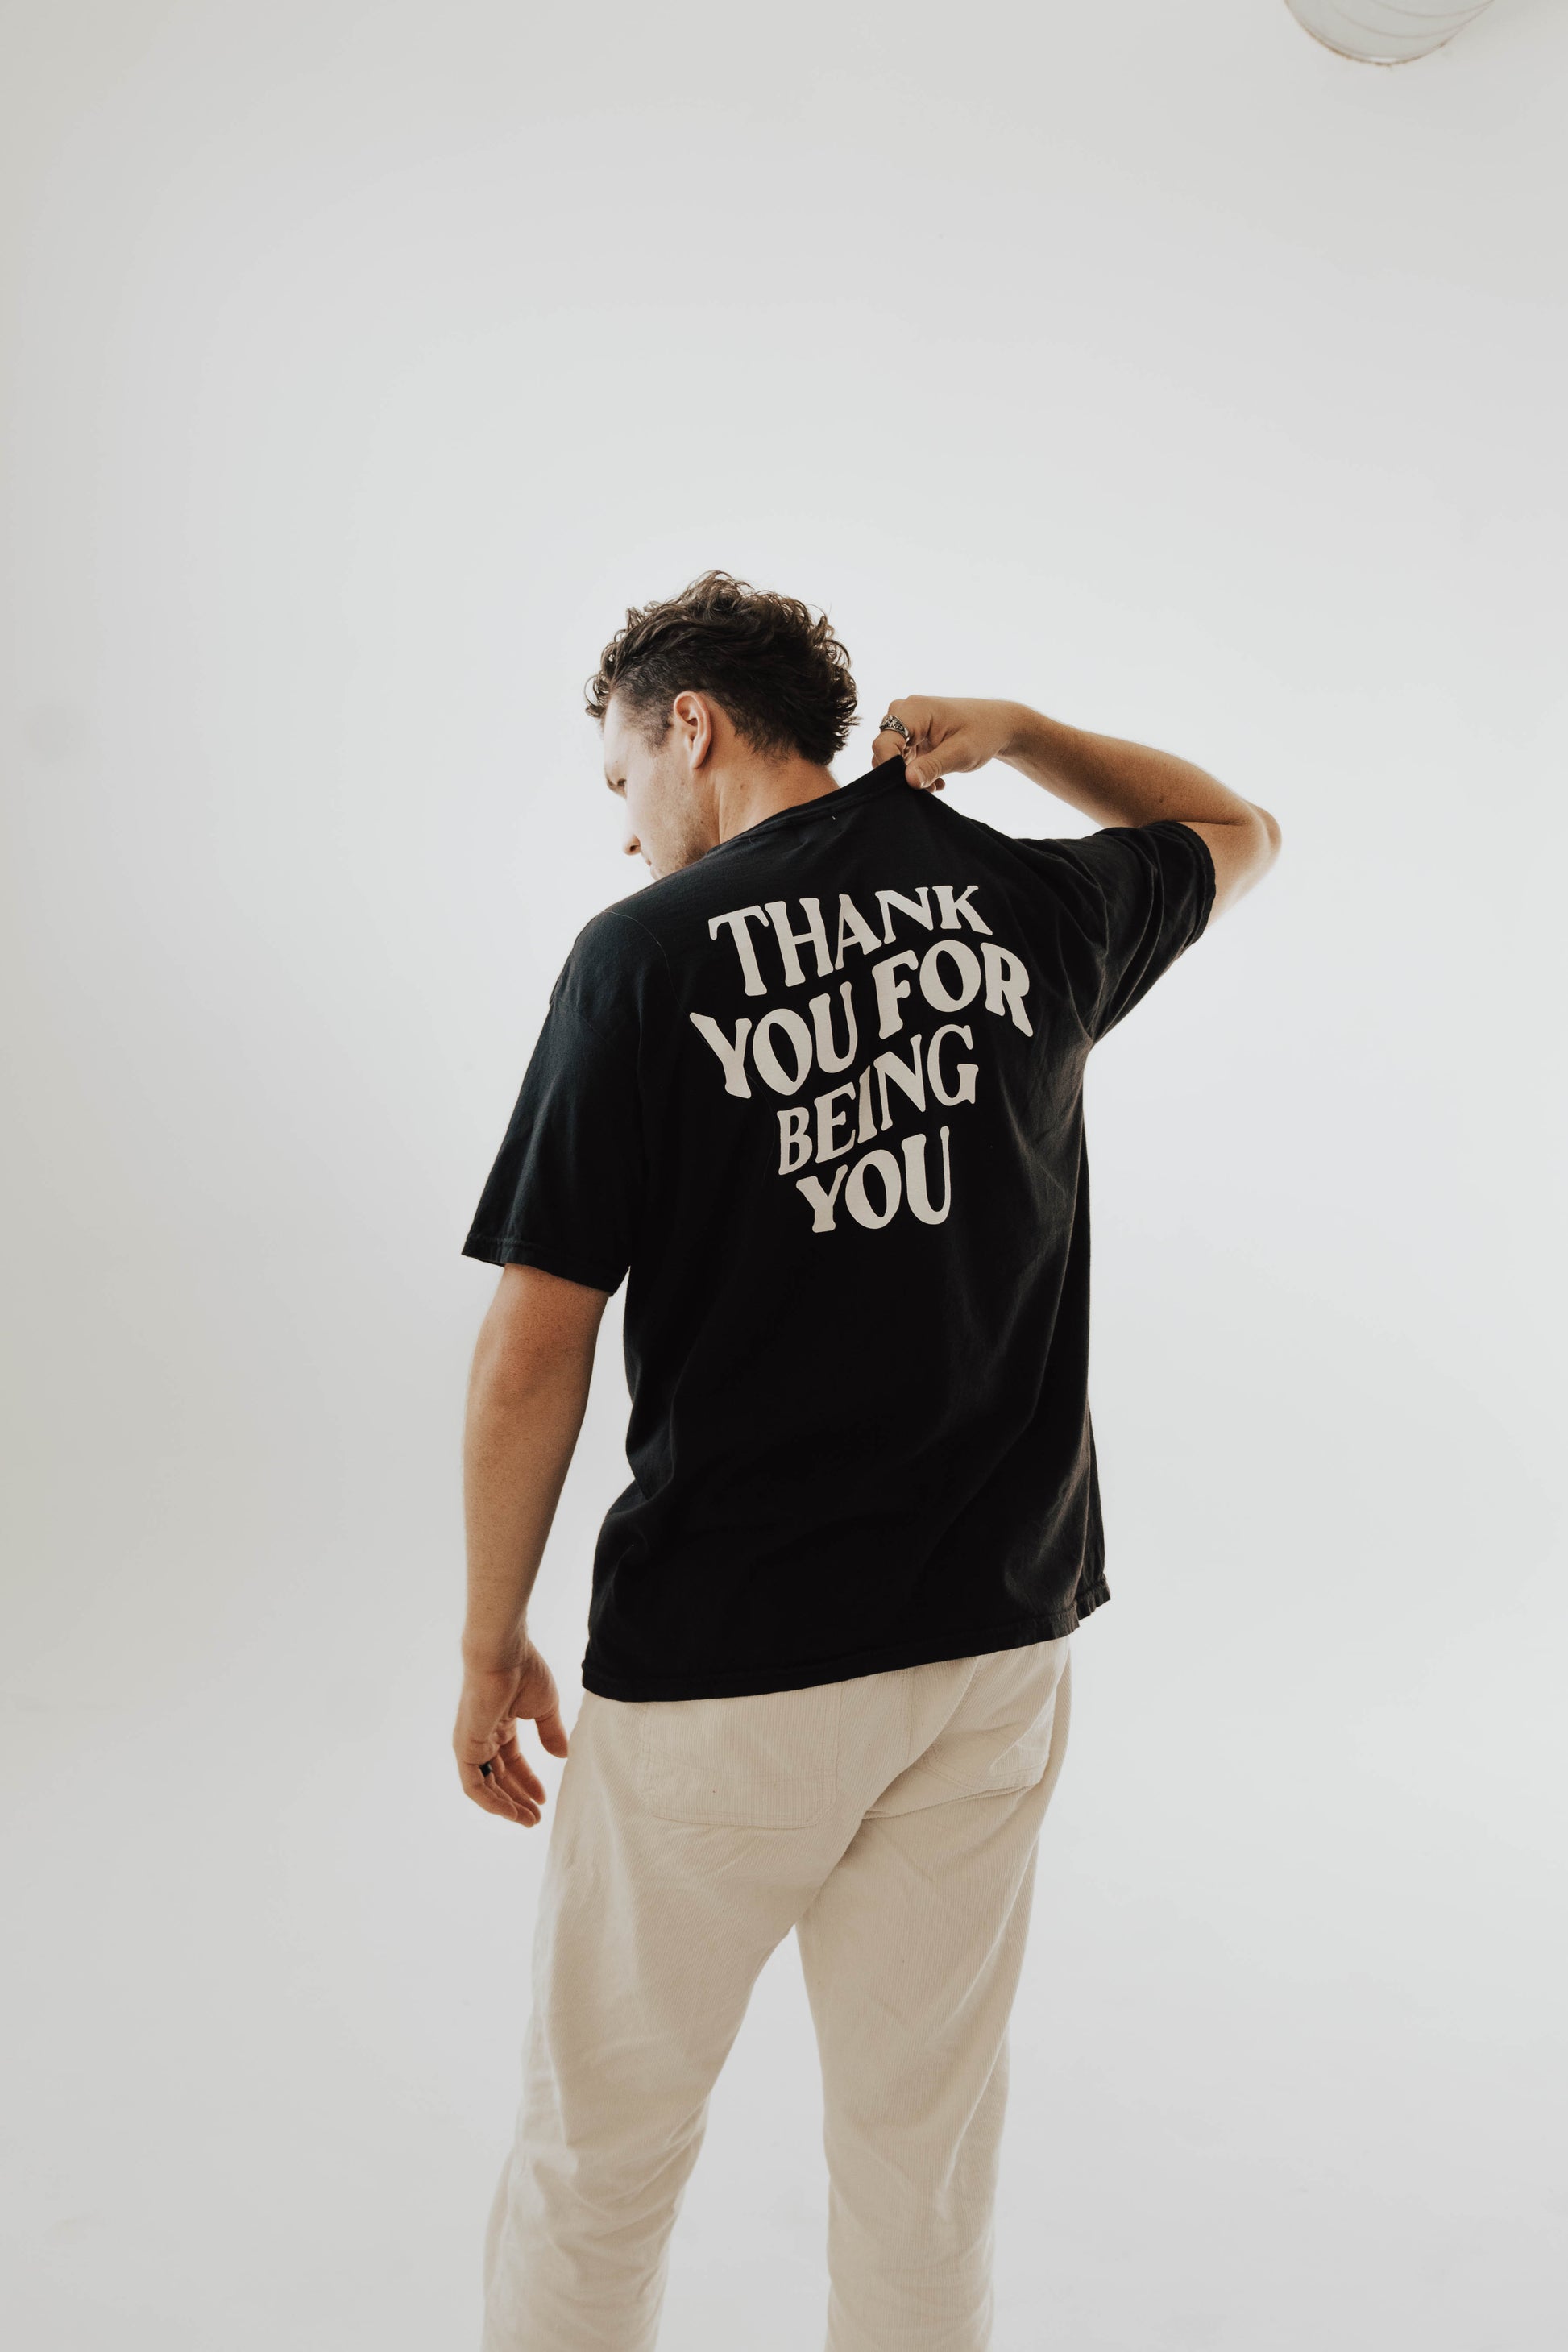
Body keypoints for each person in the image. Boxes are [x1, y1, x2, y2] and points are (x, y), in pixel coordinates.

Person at [454, 572, 1280, 2352]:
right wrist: (1028, 737)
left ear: (690, 725)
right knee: (922, 2164)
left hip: (726, 1665)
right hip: (990, 1642)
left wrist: (486, 1637)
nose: (624, 829)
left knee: (601, 2153)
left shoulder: (645, 955)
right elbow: (1239, 829)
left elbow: (533, 1345)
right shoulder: (1027, 897)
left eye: (621, 778)